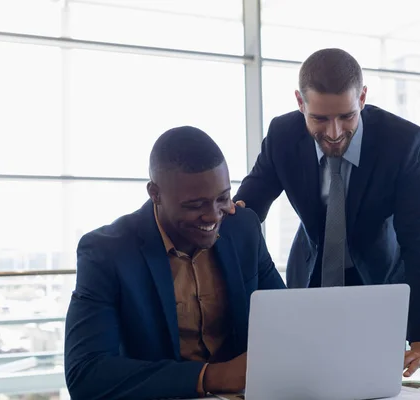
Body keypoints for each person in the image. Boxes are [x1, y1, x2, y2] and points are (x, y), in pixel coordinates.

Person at [233, 48, 420, 377]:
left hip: (378, 281)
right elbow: (248, 209)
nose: (334, 133)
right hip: (310, 277)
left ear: (362, 98)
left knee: (370, 380)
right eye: (319, 118)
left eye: (346, 116)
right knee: (311, 376)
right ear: (300, 103)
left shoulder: (403, 143)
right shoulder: (282, 136)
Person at [64, 126, 286, 400]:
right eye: (195, 205)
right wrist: (214, 376)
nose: (213, 216)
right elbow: (86, 374)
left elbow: (287, 321)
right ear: (154, 193)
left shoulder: (242, 229)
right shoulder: (107, 252)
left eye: (222, 198)